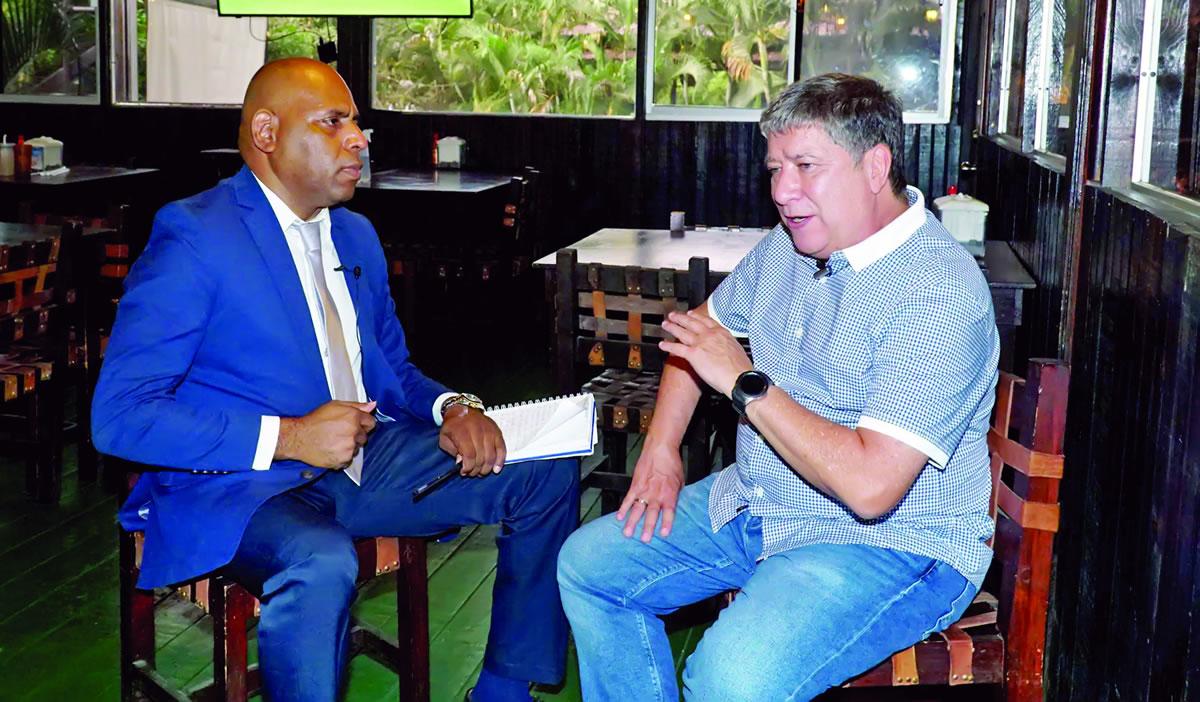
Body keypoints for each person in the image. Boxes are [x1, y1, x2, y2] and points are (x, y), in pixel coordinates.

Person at [93, 58, 577, 702]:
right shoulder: (197, 235)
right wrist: (290, 438)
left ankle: (502, 690)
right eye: (332, 122)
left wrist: (453, 407)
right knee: (320, 561)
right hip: (239, 487)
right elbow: (121, 415)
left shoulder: (355, 235)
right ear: (267, 133)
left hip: (362, 463)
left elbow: (393, 370)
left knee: (544, 468)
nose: (357, 140)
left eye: (356, 124)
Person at [557, 73, 999, 701]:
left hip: (890, 545)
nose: (783, 192)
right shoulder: (788, 247)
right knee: (590, 569)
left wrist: (745, 383)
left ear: (876, 167)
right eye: (774, 170)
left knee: (729, 680)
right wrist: (659, 451)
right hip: (761, 504)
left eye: (806, 167)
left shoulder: (938, 292)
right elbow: (700, 334)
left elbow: (871, 489)